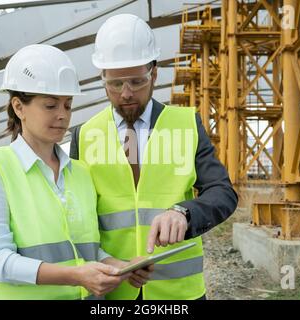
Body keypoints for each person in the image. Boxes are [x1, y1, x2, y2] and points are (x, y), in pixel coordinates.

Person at [0, 44, 152, 300]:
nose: (62, 116)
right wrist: (76, 276)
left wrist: (117, 265)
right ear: (18, 107)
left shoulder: (80, 174)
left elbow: (84, 251)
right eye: (50, 106)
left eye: (67, 106)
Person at [70, 14, 238, 300]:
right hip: (111, 292)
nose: (126, 94)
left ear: (155, 74)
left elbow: (223, 192)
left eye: (136, 82)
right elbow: (75, 215)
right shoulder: (84, 134)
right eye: (115, 84)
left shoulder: (186, 124)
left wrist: (184, 213)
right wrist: (105, 262)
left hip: (178, 294)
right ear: (103, 79)